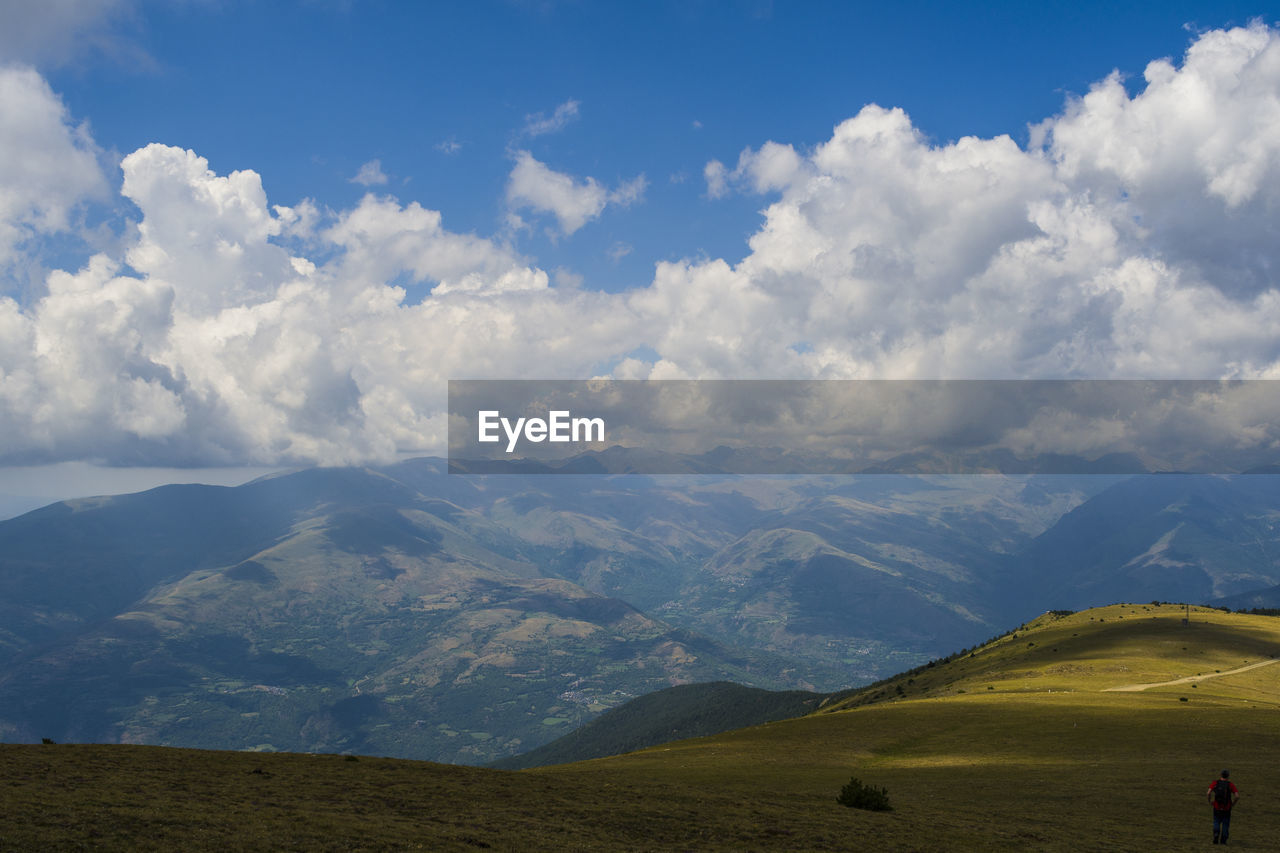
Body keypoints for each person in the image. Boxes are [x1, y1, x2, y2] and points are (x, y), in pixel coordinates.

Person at [1207, 769, 1239, 844]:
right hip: (1227, 808)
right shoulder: (1230, 784)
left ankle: (1216, 834)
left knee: (1216, 821)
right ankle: (1223, 840)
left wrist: (1210, 801)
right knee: (1225, 823)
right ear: (1228, 776)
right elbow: (1237, 796)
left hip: (1217, 806)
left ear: (1220, 775)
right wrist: (1233, 804)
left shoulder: (1215, 783)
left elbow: (1208, 793)